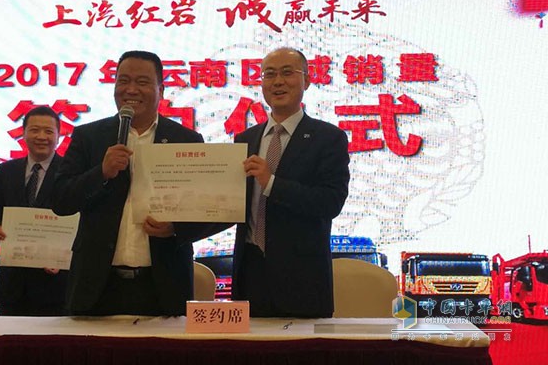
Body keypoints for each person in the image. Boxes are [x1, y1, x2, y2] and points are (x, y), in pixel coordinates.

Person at [52, 50, 216, 316]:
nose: (130, 89)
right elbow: (60, 200)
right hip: (97, 285)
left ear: (161, 90)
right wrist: (101, 172)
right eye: (123, 81)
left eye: (142, 82)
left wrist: (176, 228)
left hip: (162, 286)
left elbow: (207, 209)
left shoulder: (186, 140)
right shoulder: (89, 136)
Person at [232, 47, 350, 318]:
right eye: (269, 74)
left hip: (302, 280)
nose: (278, 82)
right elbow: (232, 204)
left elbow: (330, 203)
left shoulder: (328, 138)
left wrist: (271, 183)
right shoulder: (245, 139)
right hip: (249, 274)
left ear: (306, 80)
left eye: (287, 73)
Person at [0, 106, 68, 316]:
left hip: (55, 285)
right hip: (12, 285)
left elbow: (82, 221)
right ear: (23, 134)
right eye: (34, 130)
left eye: (48, 131)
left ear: (58, 136)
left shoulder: (71, 172)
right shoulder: (6, 171)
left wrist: (66, 257)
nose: (41, 137)